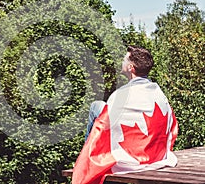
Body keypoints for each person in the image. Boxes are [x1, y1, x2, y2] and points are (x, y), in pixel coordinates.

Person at [73, 45, 178, 184]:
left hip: (130, 159)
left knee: (96, 107)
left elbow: (103, 126)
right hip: (156, 155)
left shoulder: (121, 95)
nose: (122, 62)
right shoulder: (158, 93)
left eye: (124, 60)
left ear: (131, 68)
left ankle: (87, 159)